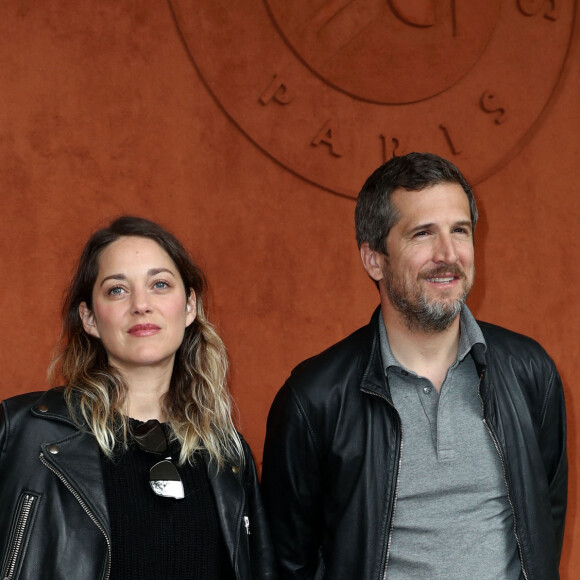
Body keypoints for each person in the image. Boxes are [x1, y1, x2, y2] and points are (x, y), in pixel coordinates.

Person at [261, 153, 567, 579]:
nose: (448, 254)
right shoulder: (313, 399)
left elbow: (544, 523)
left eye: (460, 231)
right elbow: (286, 562)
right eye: (422, 234)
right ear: (374, 259)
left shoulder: (530, 371)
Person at [0, 216, 276, 580]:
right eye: (117, 289)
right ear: (90, 318)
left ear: (189, 305)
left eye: (160, 284)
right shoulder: (21, 430)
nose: (141, 304)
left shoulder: (227, 456)